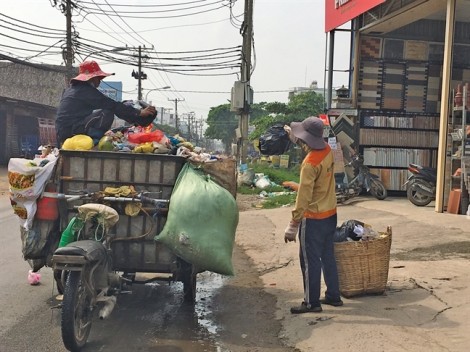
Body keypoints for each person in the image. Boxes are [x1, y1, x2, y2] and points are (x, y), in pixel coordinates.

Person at [283, 116, 343, 314]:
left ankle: (311, 302)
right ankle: (334, 296)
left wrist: (294, 223)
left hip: (314, 218)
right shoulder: (327, 151)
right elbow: (317, 186)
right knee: (328, 257)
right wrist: (293, 135)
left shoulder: (309, 164)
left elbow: (305, 196)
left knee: (309, 261)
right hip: (330, 214)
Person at [55, 60, 157, 146]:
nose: (99, 82)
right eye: (98, 78)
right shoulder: (85, 91)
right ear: (92, 78)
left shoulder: (72, 90)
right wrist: (139, 113)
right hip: (70, 130)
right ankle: (95, 143)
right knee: (106, 113)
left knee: (109, 110)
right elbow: (112, 105)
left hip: (64, 131)